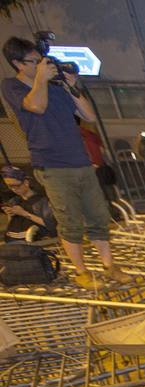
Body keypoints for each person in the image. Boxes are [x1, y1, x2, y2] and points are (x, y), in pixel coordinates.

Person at [1, 37, 129, 289]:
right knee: (70, 221)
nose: (42, 65)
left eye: (42, 61)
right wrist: (41, 78)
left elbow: (88, 115)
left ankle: (109, 266)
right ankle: (82, 272)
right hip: (52, 164)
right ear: (17, 63)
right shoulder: (13, 87)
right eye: (34, 62)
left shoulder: (57, 87)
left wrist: (72, 86)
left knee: (98, 217)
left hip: (80, 161)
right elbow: (36, 106)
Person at [1, 165, 56, 241]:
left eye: (16, 186)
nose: (13, 189)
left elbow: (52, 226)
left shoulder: (42, 201)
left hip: (34, 241)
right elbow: (11, 225)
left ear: (26, 183)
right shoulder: (14, 200)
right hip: (12, 241)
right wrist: (10, 213)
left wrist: (24, 213)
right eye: (10, 186)